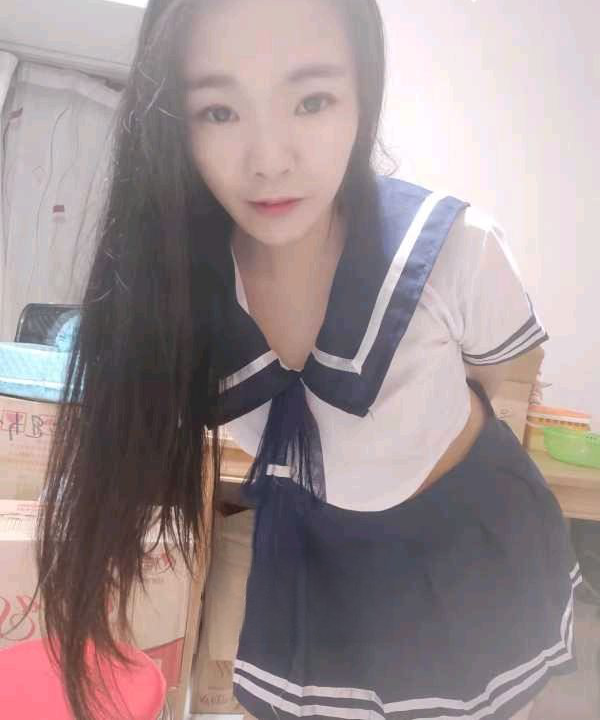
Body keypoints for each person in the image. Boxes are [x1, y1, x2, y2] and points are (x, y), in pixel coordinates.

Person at [32, 1, 581, 718]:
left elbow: (494, 373)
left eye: (312, 100)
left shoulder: (452, 248)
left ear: (362, 95)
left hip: (461, 539)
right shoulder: (177, 285)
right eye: (219, 112)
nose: (269, 160)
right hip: (313, 552)